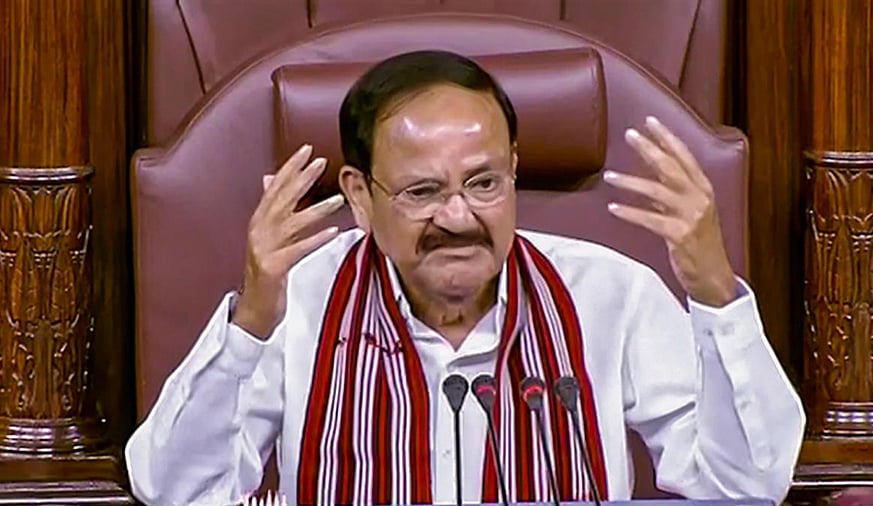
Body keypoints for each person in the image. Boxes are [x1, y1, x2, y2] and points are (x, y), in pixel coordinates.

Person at [125, 50, 805, 506]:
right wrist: (250, 323)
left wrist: (715, 293)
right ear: (359, 196)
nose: (458, 218)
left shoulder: (611, 295)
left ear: (514, 170)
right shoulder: (299, 299)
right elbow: (175, 490)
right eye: (422, 192)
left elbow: (745, 488)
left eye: (484, 184)